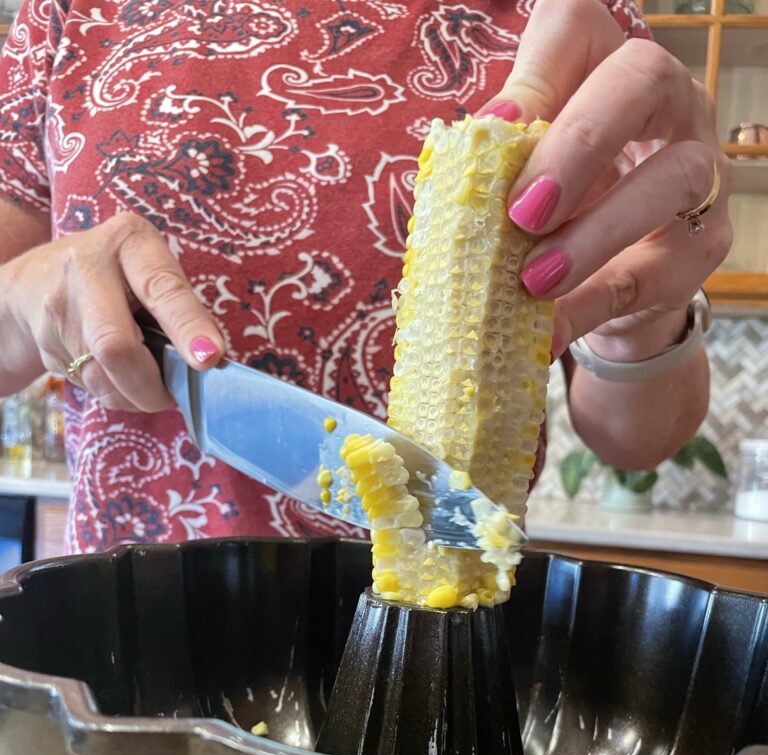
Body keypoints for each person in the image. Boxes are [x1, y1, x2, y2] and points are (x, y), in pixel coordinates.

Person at [0, 0, 731, 553]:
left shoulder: (563, 20)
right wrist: (34, 287)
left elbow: (642, 441)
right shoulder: (67, 11)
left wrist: (636, 320)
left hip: (437, 655)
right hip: (135, 654)